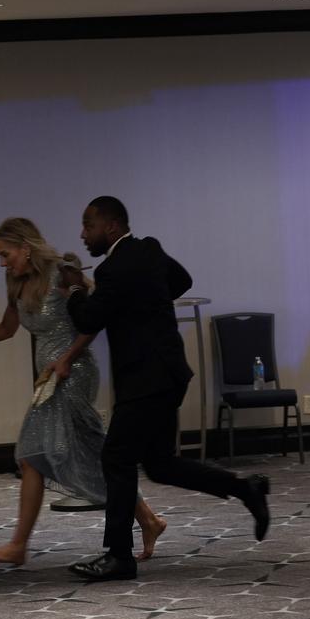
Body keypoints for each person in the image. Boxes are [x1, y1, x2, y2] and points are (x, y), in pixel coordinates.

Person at [60, 196, 270, 581]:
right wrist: (145, 302)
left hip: (145, 377)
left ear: (111, 226)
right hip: (168, 372)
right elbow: (182, 281)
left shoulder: (113, 270)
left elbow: (89, 317)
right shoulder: (149, 250)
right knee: (160, 464)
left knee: (116, 457)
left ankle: (118, 556)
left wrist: (74, 290)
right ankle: (245, 488)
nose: (83, 234)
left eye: (88, 225)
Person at [0, 217, 166, 567]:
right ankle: (147, 518)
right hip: (49, 380)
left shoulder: (64, 272)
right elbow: (8, 328)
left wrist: (67, 358)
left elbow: (92, 318)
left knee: (32, 454)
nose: (2, 262)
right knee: (91, 452)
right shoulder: (15, 280)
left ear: (26, 248)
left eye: (5, 253)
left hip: (74, 373)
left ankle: (18, 546)